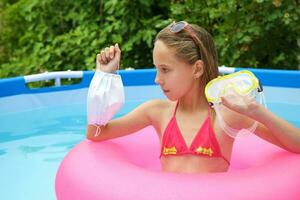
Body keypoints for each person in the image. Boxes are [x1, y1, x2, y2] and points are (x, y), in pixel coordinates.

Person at [86, 21, 300, 173]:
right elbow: (96, 133)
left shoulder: (227, 116)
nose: (157, 79)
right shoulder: (155, 112)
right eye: (156, 69)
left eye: (165, 70)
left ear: (197, 69)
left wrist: (256, 111)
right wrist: (105, 76)